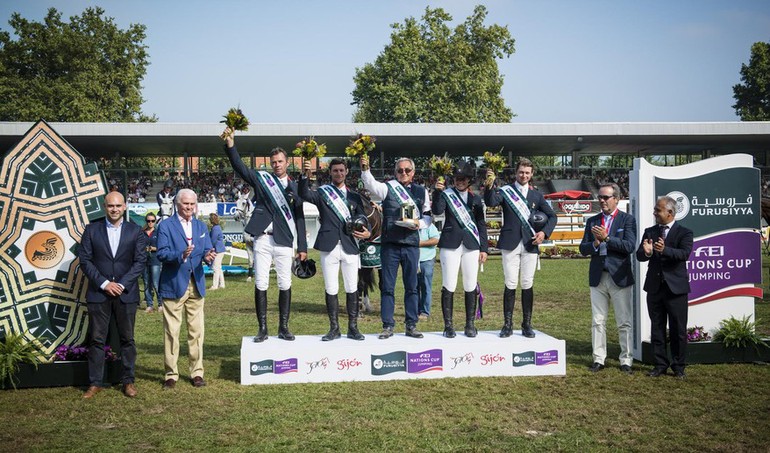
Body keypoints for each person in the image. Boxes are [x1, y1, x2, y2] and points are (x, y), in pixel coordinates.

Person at [222, 127, 308, 342]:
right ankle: (262, 329)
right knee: (261, 282)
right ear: (271, 163)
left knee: (284, 283)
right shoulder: (263, 180)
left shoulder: (296, 186)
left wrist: (303, 248)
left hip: (284, 241)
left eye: (280, 161)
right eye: (274, 162)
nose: (277, 165)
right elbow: (240, 167)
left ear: (287, 162)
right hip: (262, 238)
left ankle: (284, 327)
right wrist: (231, 144)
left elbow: (299, 218)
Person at [79, 191, 147, 398]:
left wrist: (121, 284)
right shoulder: (91, 230)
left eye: (118, 206)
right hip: (99, 294)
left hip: (126, 294)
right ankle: (95, 382)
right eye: (110, 206)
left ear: (125, 206)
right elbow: (85, 260)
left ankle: (128, 381)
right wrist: (105, 283)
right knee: (97, 340)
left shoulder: (136, 231)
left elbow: (140, 262)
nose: (114, 209)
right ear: (104, 207)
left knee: (127, 339)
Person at [299, 158, 371, 341]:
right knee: (331, 287)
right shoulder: (323, 193)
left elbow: (362, 216)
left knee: (352, 287)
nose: (338, 173)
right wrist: (304, 175)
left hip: (350, 245)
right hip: (329, 246)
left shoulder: (354, 196)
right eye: (335, 171)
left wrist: (366, 230)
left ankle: (353, 328)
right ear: (330, 173)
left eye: (341, 170)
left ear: (346, 172)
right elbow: (304, 194)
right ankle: (334, 328)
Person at [360, 154, 432, 339]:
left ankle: (411, 325)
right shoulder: (387, 188)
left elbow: (428, 216)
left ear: (413, 172)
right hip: (390, 245)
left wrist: (419, 224)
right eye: (400, 170)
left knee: (412, 287)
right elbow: (369, 183)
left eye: (407, 170)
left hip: (411, 245)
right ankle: (388, 326)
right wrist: (365, 167)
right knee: (388, 287)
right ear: (395, 173)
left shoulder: (421, 191)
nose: (403, 173)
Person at [484, 158, 557, 338]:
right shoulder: (505, 191)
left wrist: (544, 234)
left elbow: (552, 216)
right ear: (516, 173)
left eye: (527, 172)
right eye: (521, 172)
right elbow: (491, 201)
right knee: (510, 283)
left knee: (527, 284)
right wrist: (489, 185)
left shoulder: (537, 196)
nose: (524, 175)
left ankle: (527, 324)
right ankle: (507, 325)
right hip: (510, 243)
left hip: (530, 243)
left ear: (531, 174)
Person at [156, 189, 216, 389]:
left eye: (192, 204)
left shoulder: (201, 226)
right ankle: (171, 374)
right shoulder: (165, 226)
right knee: (172, 332)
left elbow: (207, 249)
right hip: (173, 283)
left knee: (196, 331)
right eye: (185, 204)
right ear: (177, 204)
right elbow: (162, 254)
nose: (189, 207)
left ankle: (196, 372)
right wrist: (180, 255)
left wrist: (208, 257)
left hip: (196, 284)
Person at [579, 183, 637, 374]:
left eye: (606, 197)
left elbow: (629, 246)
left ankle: (626, 359)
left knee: (624, 321)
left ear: (616, 199)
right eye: (600, 197)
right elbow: (582, 248)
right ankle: (598, 358)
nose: (602, 201)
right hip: (598, 276)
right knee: (598, 320)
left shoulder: (627, 220)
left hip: (619, 276)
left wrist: (607, 239)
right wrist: (595, 243)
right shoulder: (593, 220)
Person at [636, 196, 693, 379]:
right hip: (654, 288)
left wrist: (664, 250)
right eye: (654, 209)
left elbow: (684, 254)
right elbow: (640, 255)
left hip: (676, 289)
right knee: (657, 328)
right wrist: (646, 252)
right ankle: (660, 364)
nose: (654, 213)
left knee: (678, 330)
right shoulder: (650, 231)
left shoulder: (684, 232)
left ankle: (678, 366)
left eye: (658, 210)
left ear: (670, 212)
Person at [432, 162, 489, 338]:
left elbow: (481, 224)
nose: (459, 182)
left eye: (463, 179)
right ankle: (448, 325)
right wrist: (437, 192)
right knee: (449, 284)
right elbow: (437, 210)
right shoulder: (446, 195)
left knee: (470, 284)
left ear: (469, 180)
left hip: (471, 244)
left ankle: (469, 324)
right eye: (456, 179)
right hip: (450, 244)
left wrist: (484, 248)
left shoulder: (476, 199)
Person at [417, 221, 439, 320]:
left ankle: (424, 311)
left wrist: (420, 243)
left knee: (426, 286)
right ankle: (414, 310)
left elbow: (436, 239)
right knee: (413, 287)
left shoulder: (429, 225)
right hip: (413, 260)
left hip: (427, 259)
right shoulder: (408, 224)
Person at [142, 213, 162, 313]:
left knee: (155, 283)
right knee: (146, 283)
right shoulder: (142, 233)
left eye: (152, 221)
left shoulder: (158, 233)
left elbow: (163, 247)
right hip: (144, 261)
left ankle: (160, 304)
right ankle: (149, 305)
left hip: (155, 260)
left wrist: (154, 248)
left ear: (155, 221)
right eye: (148, 221)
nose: (150, 223)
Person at [208, 213, 226, 290]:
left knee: (215, 268)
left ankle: (215, 286)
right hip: (220, 249)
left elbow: (213, 240)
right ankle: (222, 284)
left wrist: (209, 248)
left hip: (218, 250)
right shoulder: (217, 227)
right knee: (219, 268)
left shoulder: (215, 229)